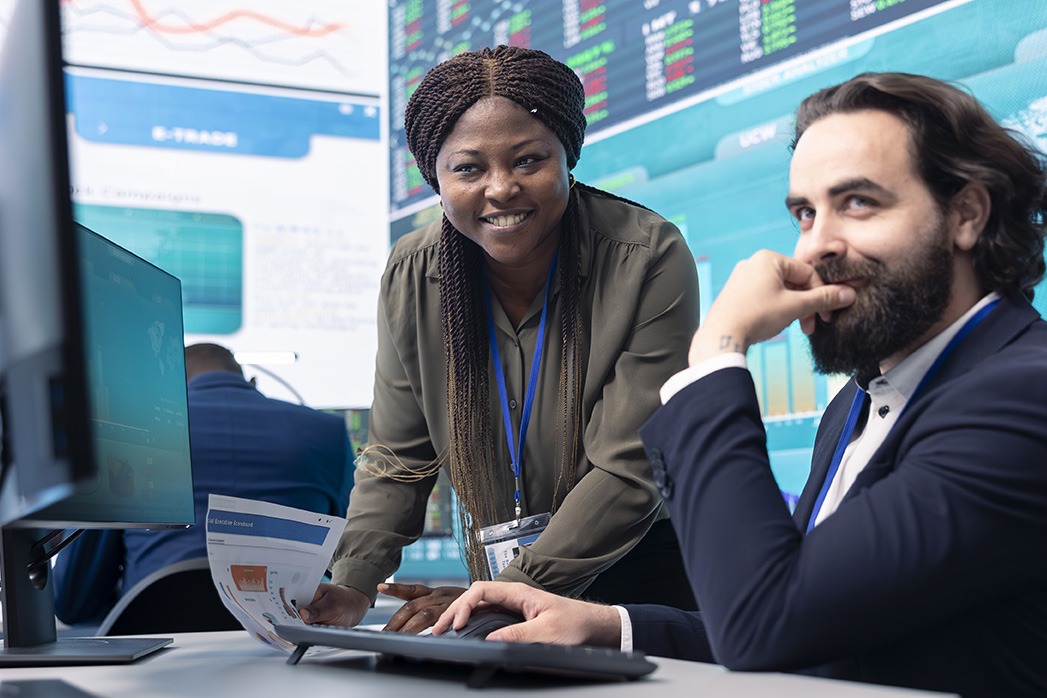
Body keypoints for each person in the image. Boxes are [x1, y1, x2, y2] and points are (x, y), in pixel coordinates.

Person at [433, 72, 1047, 698]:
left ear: (966, 215)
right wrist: (608, 627)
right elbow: (815, 626)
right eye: (806, 213)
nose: (817, 246)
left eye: (858, 203)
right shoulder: (856, 406)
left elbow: (769, 624)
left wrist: (716, 353)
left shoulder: (1022, 398)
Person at [299, 46, 700, 631]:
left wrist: (502, 593)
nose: (501, 188)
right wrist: (352, 585)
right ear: (434, 178)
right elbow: (398, 458)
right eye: (468, 168)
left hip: (643, 575)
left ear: (568, 157)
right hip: (505, 579)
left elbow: (628, 467)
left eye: (529, 160)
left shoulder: (646, 256)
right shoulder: (414, 274)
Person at [53, 342, 354, 625]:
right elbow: (342, 557)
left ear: (165, 392)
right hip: (287, 636)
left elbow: (73, 601)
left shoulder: (127, 430)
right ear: (251, 384)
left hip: (156, 636)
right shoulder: (328, 431)